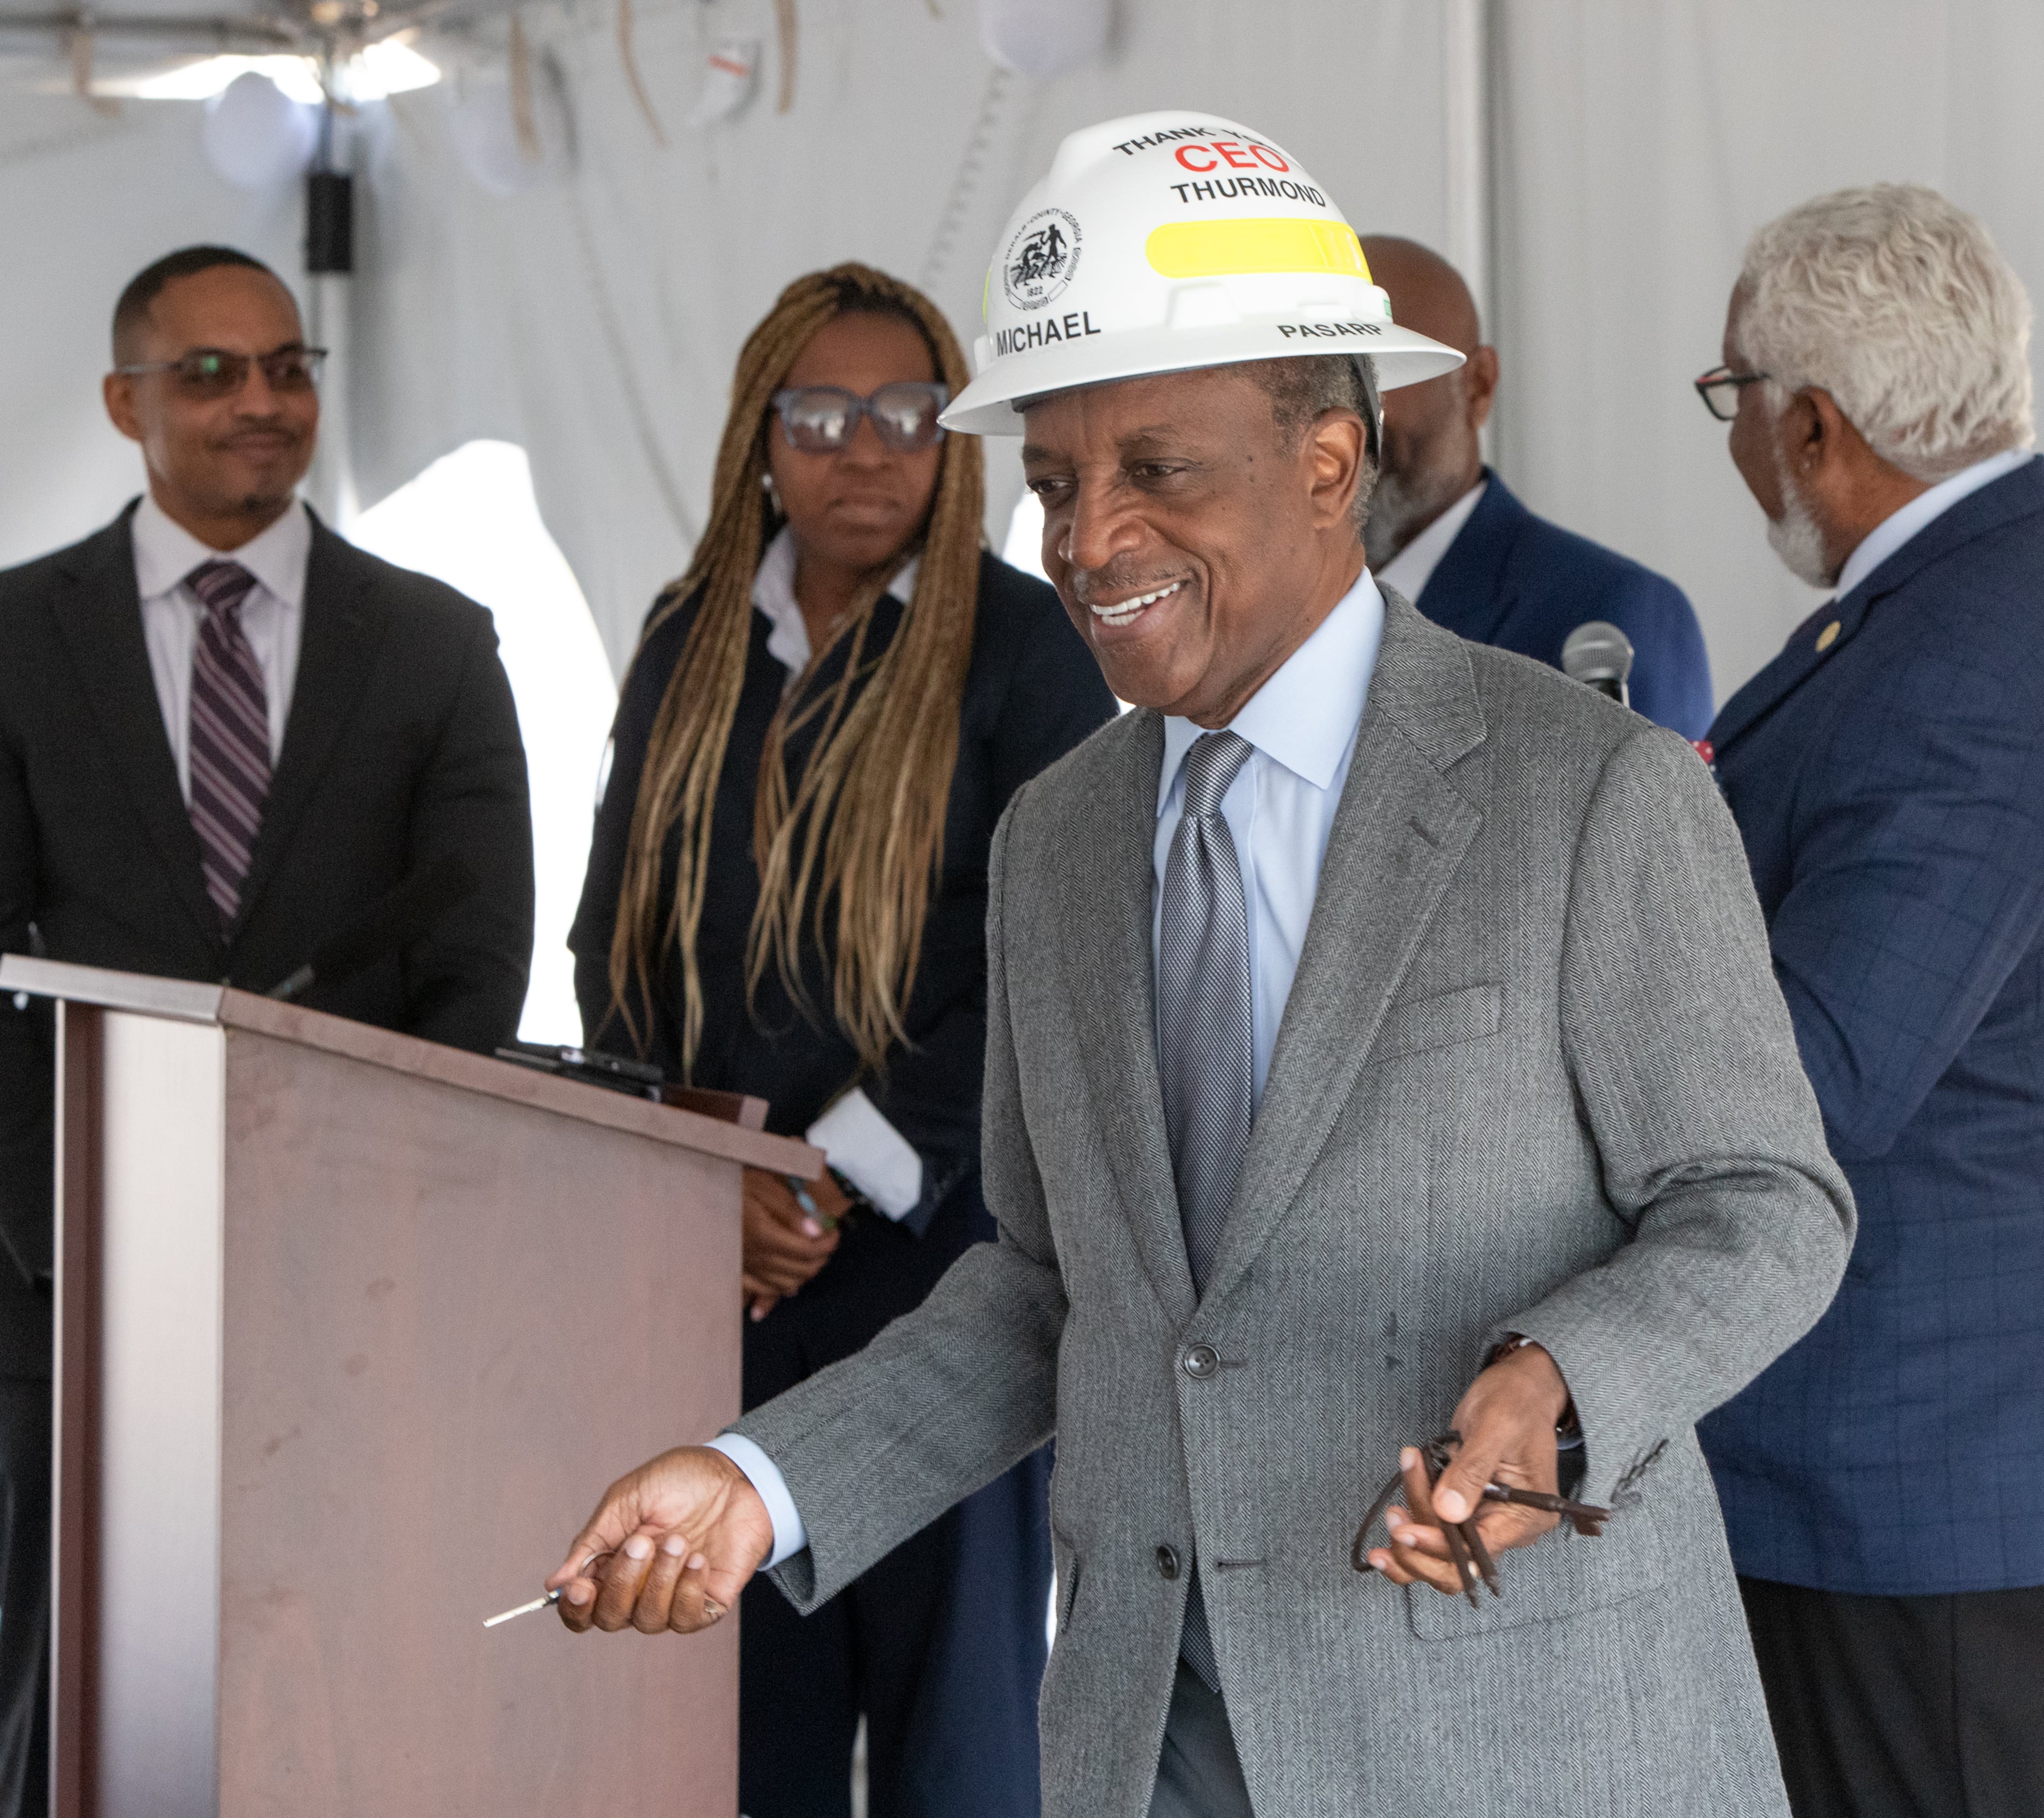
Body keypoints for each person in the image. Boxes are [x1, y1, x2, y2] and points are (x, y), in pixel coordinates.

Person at [545, 113, 1853, 1818]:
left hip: (1519, 1739)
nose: (1087, 540)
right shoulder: (1057, 842)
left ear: (1330, 462)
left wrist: (1557, 1382)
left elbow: (1764, 1201)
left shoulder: (1582, 790)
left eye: (1155, 470)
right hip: (1153, 1740)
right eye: (1055, 482)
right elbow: (1046, 1288)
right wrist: (758, 1483)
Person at [568, 263, 1115, 1818]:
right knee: (742, 1716)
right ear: (761, 433)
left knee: (953, 1723)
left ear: (954, 438)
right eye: (821, 413)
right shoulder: (689, 636)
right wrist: (701, 1166)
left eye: (905, 413)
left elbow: (1049, 953)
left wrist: (828, 1177)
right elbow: (610, 931)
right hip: (712, 1262)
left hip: (940, 1264)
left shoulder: (1025, 646)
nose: (863, 449)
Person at [0, 244, 533, 1816]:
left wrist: (362, 1208)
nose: (262, 401)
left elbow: (472, 962)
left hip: (350, 1268)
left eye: (288, 366)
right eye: (212, 371)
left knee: (333, 1668)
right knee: (65, 1685)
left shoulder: (433, 643)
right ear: (125, 402)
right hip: (63, 1282)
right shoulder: (21, 639)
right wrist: (64, 1222)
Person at [1693, 185, 2044, 1818]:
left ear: (1809, 422)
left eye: (1731, 404)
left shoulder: (1967, 649)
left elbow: (1820, 1068)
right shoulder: (1966, 601)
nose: (1736, 445)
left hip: (1912, 1492)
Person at [1358, 235, 1715, 740]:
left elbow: (1654, 819)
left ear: (1478, 386)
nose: (1342, 414)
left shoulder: (1613, 612)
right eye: (1319, 375)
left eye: (1376, 368)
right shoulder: (1261, 610)